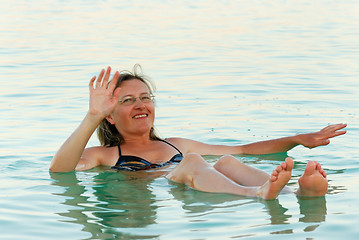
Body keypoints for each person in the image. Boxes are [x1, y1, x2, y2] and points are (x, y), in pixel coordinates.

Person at [50, 65, 347, 200]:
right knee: (193, 161)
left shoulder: (175, 145)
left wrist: (297, 140)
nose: (140, 105)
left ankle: (297, 192)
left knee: (227, 161)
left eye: (145, 97)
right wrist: (92, 116)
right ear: (110, 117)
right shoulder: (104, 155)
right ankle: (257, 193)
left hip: (201, 183)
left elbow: (246, 150)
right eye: (127, 101)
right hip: (174, 191)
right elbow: (60, 170)